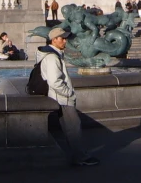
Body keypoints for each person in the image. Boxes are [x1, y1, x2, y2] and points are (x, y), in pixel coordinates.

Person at [37, 27, 99, 166]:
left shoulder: (53, 54)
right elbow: (54, 81)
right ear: (54, 40)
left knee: (69, 129)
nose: (65, 41)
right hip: (62, 99)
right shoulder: (52, 57)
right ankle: (81, 158)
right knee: (73, 128)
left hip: (58, 97)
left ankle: (76, 155)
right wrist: (68, 93)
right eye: (62, 38)